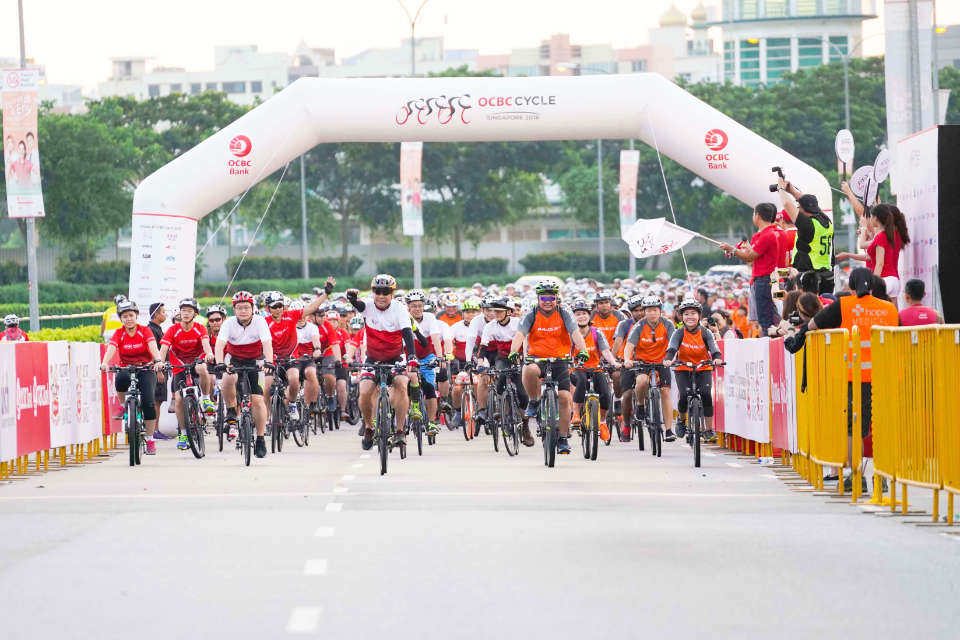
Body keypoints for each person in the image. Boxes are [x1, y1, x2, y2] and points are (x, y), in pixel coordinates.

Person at [802, 268, 899, 489]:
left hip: (856, 377)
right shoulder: (889, 309)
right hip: (887, 376)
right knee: (884, 426)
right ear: (873, 286)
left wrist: (800, 333)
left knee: (853, 428)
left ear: (852, 287)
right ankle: (882, 476)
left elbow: (813, 324)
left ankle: (855, 476)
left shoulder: (845, 305)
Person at [507, 280, 590, 456]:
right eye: (544, 297)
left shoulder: (564, 312)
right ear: (538, 298)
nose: (547, 300)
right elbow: (520, 334)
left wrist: (582, 350)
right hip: (537, 357)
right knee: (529, 370)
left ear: (556, 297)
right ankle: (534, 401)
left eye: (551, 296)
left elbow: (575, 332)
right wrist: (514, 351)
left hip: (560, 359)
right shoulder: (531, 313)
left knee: (564, 397)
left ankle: (562, 438)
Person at [346, 274, 419, 451]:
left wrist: (411, 357)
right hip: (372, 357)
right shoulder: (368, 306)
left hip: (395, 357)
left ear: (392, 294)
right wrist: (352, 298)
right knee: (364, 391)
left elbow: (407, 333)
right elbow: (359, 305)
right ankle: (369, 427)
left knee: (402, 384)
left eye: (385, 292)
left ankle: (400, 430)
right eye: (377, 291)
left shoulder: (400, 309)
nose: (381, 295)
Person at [215, 291, 275, 458]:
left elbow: (267, 344)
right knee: (227, 379)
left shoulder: (260, 321)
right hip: (234, 359)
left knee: (257, 400)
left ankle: (261, 438)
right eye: (239, 308)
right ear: (234, 309)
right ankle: (232, 412)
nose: (243, 311)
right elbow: (220, 345)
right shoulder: (228, 323)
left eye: (246, 307)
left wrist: (269, 362)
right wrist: (220, 363)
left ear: (252, 308)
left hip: (256, 360)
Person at [99, 301, 164, 454]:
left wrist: (158, 360)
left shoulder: (144, 331)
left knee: (149, 402)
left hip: (145, 367)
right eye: (124, 316)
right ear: (121, 319)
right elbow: (112, 347)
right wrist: (105, 363)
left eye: (131, 315)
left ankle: (150, 439)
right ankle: (123, 405)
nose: (128, 319)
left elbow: (152, 346)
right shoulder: (119, 333)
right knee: (120, 379)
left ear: (136, 316)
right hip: (126, 367)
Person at [263, 281, 332, 422]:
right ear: (268, 308)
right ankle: (269, 417)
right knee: (267, 387)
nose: (278, 309)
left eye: (280, 306)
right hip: (272, 359)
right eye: (274, 307)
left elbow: (312, 307)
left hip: (289, 358)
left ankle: (293, 404)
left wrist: (326, 294)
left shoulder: (291, 316)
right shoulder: (264, 322)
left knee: (294, 379)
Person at [159, 298, 216, 451]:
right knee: (178, 399)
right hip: (179, 365)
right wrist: (159, 361)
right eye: (183, 310)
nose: (185, 313)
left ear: (195, 314)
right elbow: (164, 348)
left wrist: (209, 354)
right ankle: (183, 433)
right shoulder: (173, 329)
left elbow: (205, 344)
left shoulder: (200, 328)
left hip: (196, 360)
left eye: (189, 311)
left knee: (203, 369)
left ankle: (205, 399)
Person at [663, 299, 723, 442]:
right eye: (686, 314)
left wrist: (716, 358)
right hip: (683, 367)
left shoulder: (705, 332)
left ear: (699, 316)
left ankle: (709, 430)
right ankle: (681, 421)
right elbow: (672, 349)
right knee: (684, 395)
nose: (690, 317)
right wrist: (669, 359)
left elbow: (714, 349)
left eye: (693, 314)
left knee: (706, 394)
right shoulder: (678, 333)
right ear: (681, 317)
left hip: (703, 367)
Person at [477, 297, 533, 446]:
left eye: (500, 311)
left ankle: (525, 426)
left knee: (523, 394)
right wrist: (480, 362)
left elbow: (526, 342)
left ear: (508, 312)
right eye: (495, 311)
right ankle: (503, 409)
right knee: (500, 378)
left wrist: (526, 360)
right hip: (502, 358)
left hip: (519, 358)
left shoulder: (517, 323)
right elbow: (483, 346)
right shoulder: (490, 326)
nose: (496, 314)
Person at [720, 203, 780, 336]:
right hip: (762, 280)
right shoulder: (766, 234)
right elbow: (752, 257)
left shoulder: (767, 235)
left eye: (754, 213)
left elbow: (749, 256)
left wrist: (732, 249)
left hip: (763, 281)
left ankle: (769, 348)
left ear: (757, 216)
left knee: (765, 320)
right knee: (765, 318)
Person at [622, 296, 675, 442]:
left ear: (660, 311)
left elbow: (673, 344)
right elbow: (629, 346)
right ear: (645, 312)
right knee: (641, 381)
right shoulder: (639, 326)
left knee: (665, 392)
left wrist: (672, 359)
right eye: (649, 310)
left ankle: (669, 430)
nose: (652, 313)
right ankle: (640, 405)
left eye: (655, 310)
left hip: (663, 362)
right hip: (642, 362)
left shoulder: (668, 324)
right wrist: (627, 359)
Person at [837, 204, 910, 300]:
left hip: (884, 279)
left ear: (876, 218)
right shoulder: (889, 235)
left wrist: (873, 284)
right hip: (894, 280)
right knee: (892, 313)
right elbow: (870, 256)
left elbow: (879, 263)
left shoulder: (881, 236)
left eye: (871, 216)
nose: (870, 219)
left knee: (875, 311)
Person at [570, 299, 619, 440]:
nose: (581, 316)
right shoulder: (570, 333)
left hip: (596, 368)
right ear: (573, 317)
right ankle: (577, 414)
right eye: (578, 314)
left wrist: (613, 362)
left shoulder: (596, 332)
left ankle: (602, 422)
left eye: (584, 313)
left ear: (589, 315)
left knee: (605, 393)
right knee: (580, 381)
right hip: (577, 368)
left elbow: (605, 351)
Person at [779, 177, 834, 294]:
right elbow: (807, 203)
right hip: (825, 274)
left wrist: (781, 188)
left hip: (807, 276)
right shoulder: (826, 221)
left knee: (802, 308)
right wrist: (792, 191)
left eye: (799, 208)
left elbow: (788, 205)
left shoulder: (807, 226)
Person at [407, 289, 444, 436]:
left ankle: (432, 422)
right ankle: (401, 420)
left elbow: (435, 338)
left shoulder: (430, 318)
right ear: (408, 308)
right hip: (408, 356)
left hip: (426, 356)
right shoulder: (404, 318)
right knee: (405, 386)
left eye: (419, 305)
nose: (417, 309)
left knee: (429, 387)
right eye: (414, 306)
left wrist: (439, 356)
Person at [147, 302, 171, 438]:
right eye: (163, 312)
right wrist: (159, 371)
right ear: (156, 315)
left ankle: (155, 429)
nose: (165, 314)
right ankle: (154, 431)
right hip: (156, 370)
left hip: (160, 369)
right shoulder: (151, 330)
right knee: (156, 401)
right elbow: (153, 353)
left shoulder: (157, 329)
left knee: (159, 401)